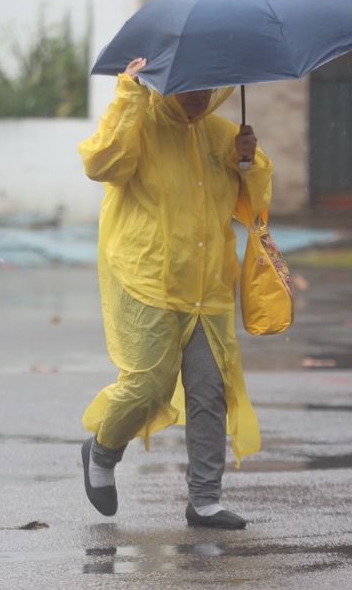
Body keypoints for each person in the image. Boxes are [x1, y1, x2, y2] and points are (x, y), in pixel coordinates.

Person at [77, 56, 273, 530]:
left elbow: (253, 204)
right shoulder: (139, 125)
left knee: (209, 392)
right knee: (149, 384)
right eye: (187, 86)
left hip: (207, 289)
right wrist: (128, 93)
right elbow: (100, 163)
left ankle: (204, 500)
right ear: (165, 85)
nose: (198, 96)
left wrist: (246, 163)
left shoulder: (221, 135)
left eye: (207, 85)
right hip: (148, 281)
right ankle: (102, 451)